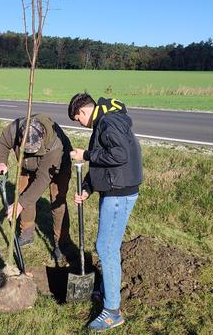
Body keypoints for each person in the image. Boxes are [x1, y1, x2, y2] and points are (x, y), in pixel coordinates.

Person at [67, 92, 143, 332]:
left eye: (77, 119)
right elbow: (104, 162)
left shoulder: (108, 123)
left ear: (82, 111)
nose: (79, 123)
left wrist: (86, 155)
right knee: (108, 246)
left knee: (106, 248)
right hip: (114, 189)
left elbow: (119, 155)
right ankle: (108, 290)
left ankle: (112, 312)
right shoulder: (106, 120)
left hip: (119, 193)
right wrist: (88, 188)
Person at [0, 113, 72, 262]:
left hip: (57, 166)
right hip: (27, 165)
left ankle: (61, 242)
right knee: (23, 193)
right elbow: (2, 144)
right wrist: (1, 163)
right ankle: (27, 233)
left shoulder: (55, 145)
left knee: (57, 202)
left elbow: (42, 180)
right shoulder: (14, 129)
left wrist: (20, 204)